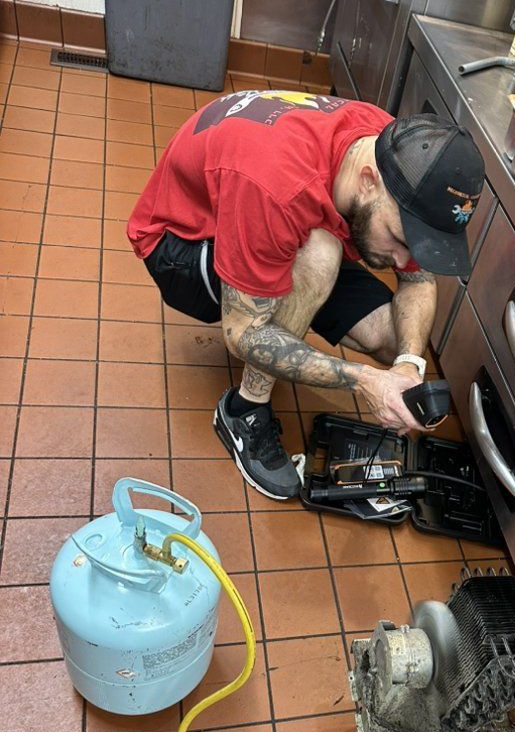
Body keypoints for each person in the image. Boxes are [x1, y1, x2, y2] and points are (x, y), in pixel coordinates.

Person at [127, 90, 485, 500]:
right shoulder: (277, 184)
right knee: (320, 253)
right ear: (368, 181)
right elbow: (243, 333)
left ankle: (299, 292)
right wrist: (364, 380)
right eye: (401, 240)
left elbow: (418, 281)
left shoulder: (401, 157)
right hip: (182, 244)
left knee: (391, 338)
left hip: (283, 222)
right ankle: (242, 411)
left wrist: (406, 365)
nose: (404, 259)